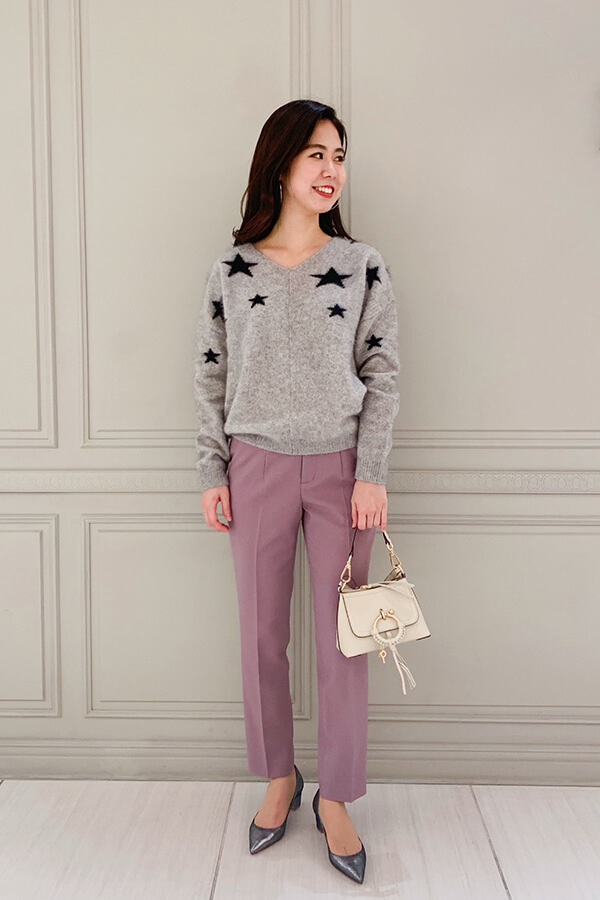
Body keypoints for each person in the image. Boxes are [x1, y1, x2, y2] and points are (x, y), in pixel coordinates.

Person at [193, 99, 400, 885]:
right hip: (256, 467)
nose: (330, 169)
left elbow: (383, 373)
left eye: (339, 155)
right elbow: (210, 373)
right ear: (280, 163)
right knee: (260, 636)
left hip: (342, 470)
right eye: (316, 153)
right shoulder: (231, 270)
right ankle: (279, 776)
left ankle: (336, 796)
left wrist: (371, 472)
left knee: (346, 641)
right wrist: (212, 470)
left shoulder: (362, 264)